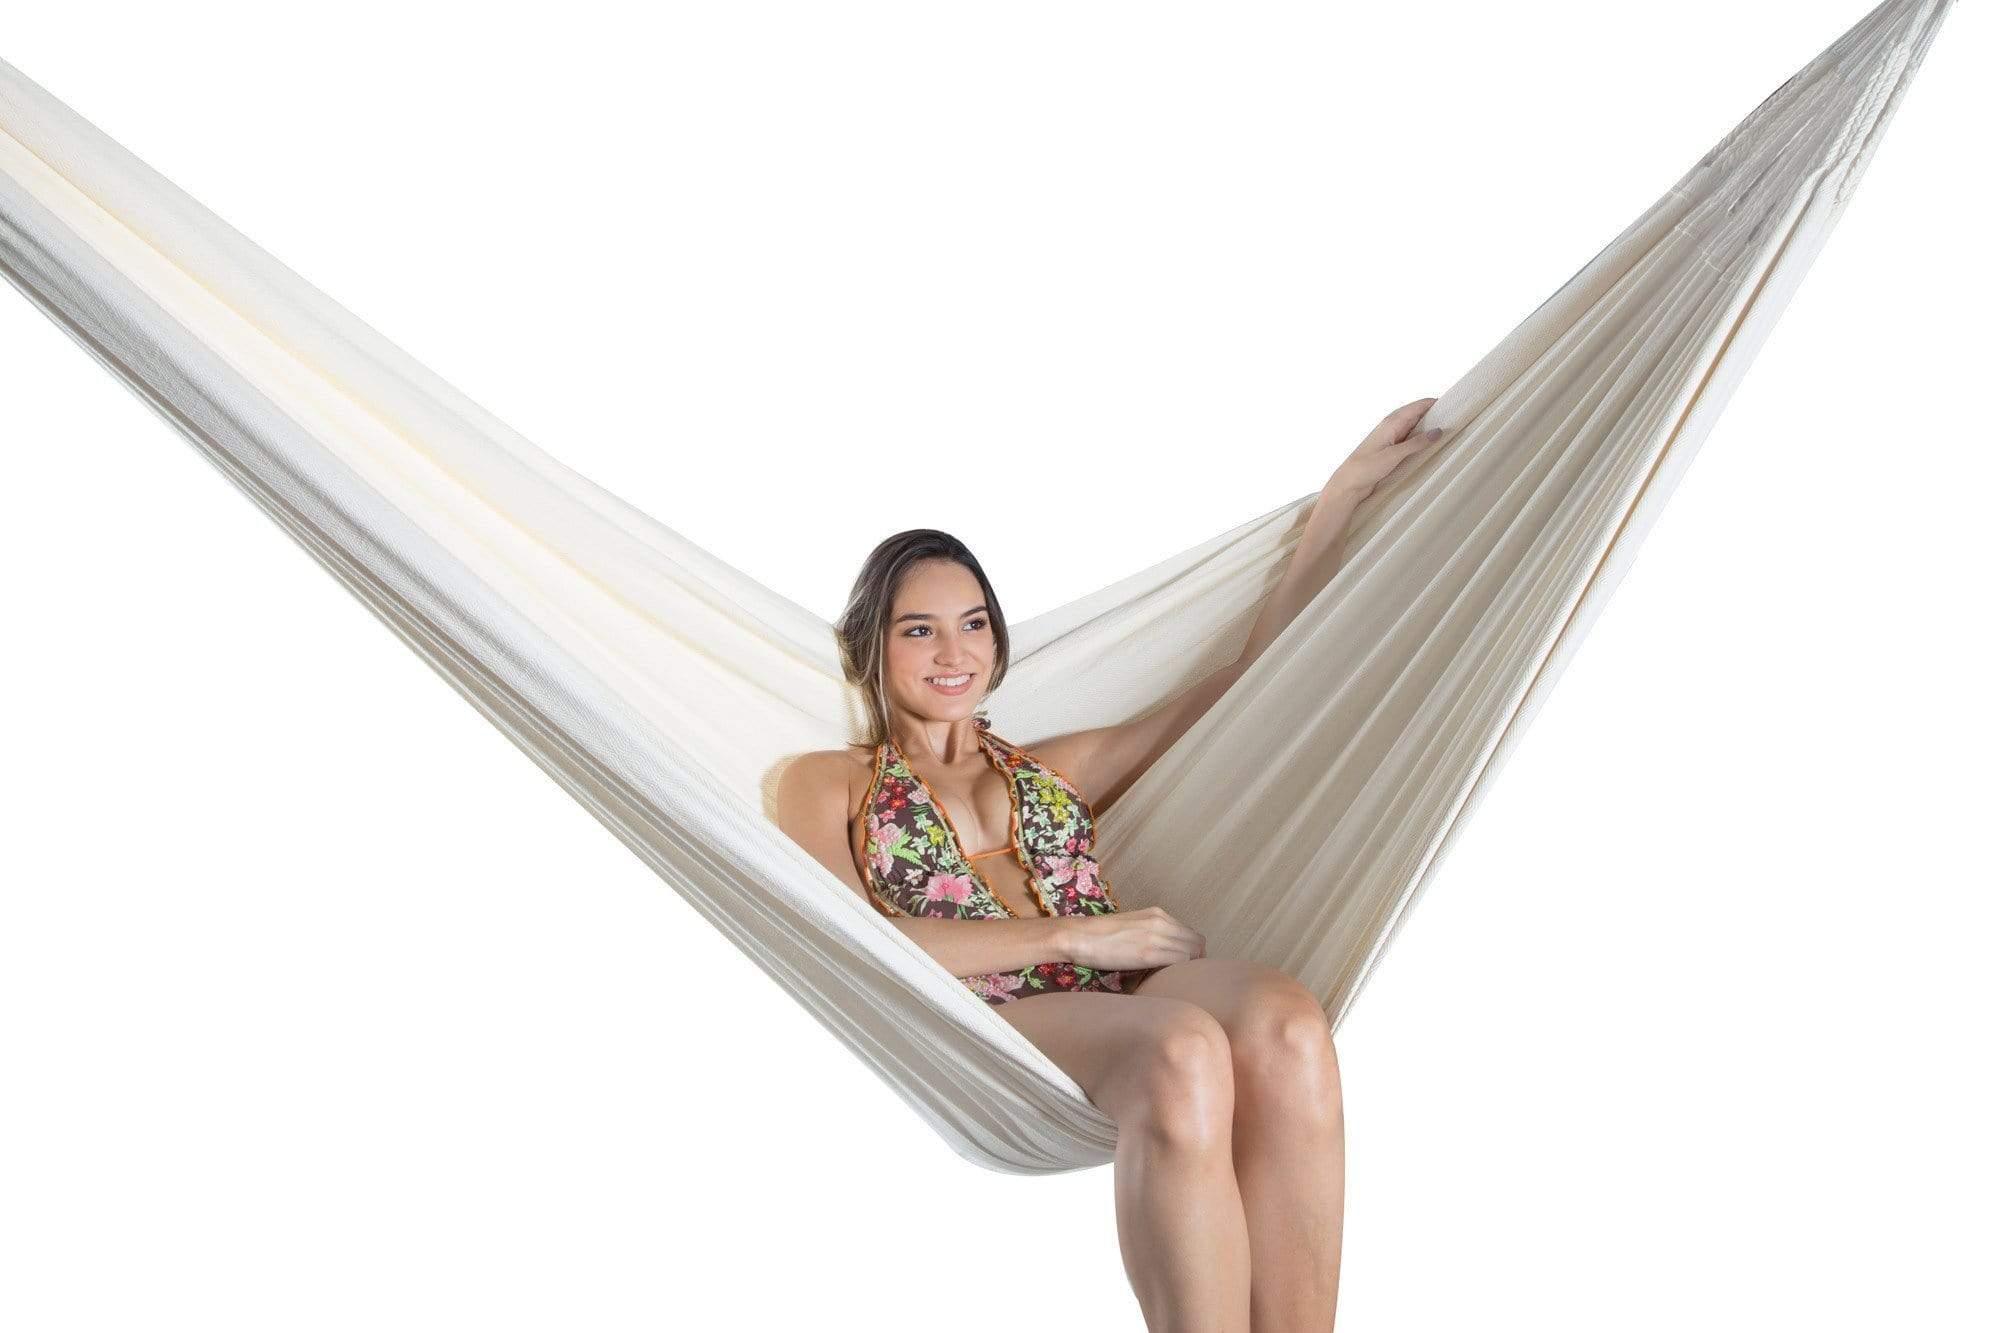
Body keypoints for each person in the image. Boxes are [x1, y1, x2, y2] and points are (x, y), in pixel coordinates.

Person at [777, 398, 1447, 1332]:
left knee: (1289, 1024)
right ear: (870, 647)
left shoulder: (1055, 767)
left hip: (1130, 985)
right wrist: (1075, 931)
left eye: (972, 623)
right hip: (998, 1023)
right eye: (918, 629)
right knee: (1181, 1050)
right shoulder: (828, 783)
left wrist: (1335, 505)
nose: (954, 650)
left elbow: (1257, 675)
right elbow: (851, 943)